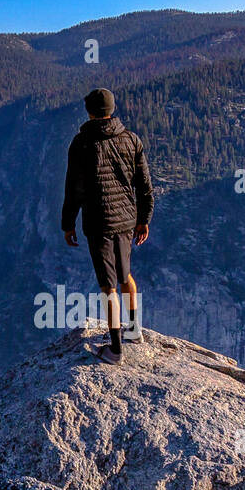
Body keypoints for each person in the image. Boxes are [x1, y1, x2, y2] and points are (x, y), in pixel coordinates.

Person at [61, 87, 154, 364]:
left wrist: (68, 224)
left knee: (107, 286)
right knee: (125, 277)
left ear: (89, 111)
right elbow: (145, 186)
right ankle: (134, 330)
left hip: (99, 222)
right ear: (112, 109)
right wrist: (143, 219)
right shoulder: (131, 139)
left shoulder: (81, 144)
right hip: (127, 220)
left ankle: (115, 350)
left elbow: (73, 190)